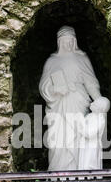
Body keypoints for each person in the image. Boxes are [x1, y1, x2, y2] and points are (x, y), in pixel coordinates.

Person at [39, 25, 101, 171]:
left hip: (78, 102)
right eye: (65, 41)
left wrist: (99, 100)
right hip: (59, 106)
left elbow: (90, 82)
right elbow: (43, 86)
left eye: (71, 41)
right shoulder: (51, 61)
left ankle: (78, 174)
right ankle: (58, 175)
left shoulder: (81, 58)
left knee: (78, 137)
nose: (68, 44)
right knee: (58, 140)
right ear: (59, 42)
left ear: (75, 42)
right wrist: (55, 89)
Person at [78, 96, 110, 170]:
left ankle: (91, 178)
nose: (91, 104)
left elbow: (90, 133)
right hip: (85, 144)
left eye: (95, 104)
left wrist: (81, 128)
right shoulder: (89, 116)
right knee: (83, 163)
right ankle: (83, 178)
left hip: (92, 145)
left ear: (101, 109)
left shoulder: (100, 119)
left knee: (89, 164)